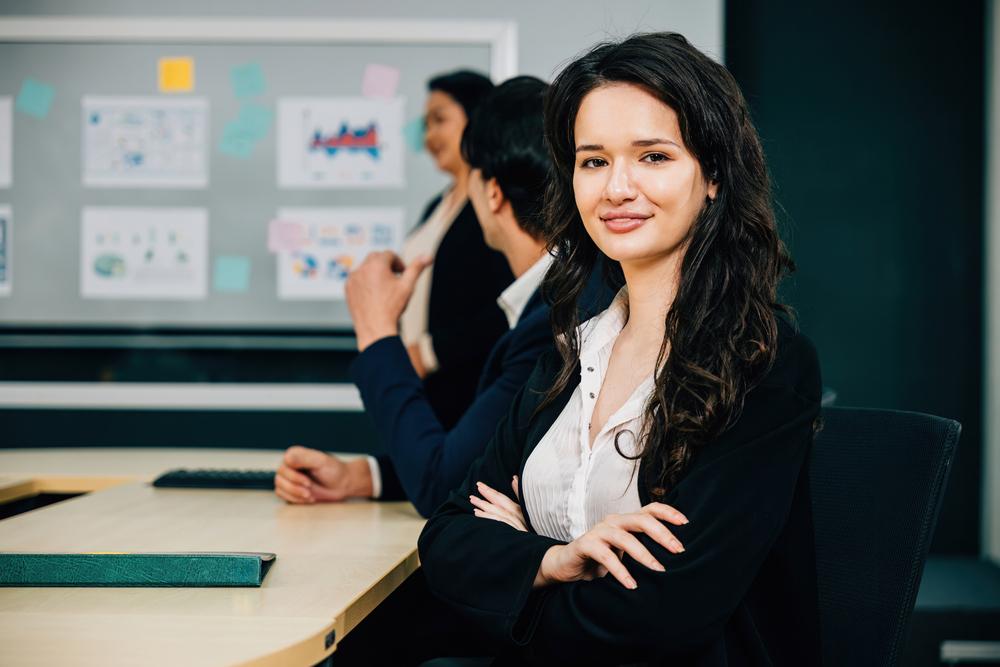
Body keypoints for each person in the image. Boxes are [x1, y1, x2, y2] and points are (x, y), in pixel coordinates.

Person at [417, 33, 823, 666]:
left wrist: (516, 570)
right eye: (594, 161)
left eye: (654, 157)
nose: (616, 188)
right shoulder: (570, 351)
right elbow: (445, 541)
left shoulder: (762, 363)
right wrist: (553, 560)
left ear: (713, 174)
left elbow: (661, 618)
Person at [274, 76, 573, 518]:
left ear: (490, 192)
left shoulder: (547, 325)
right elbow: (474, 461)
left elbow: (445, 486)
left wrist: (377, 331)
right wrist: (361, 476)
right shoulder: (553, 303)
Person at [398, 70, 512, 429]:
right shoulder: (438, 205)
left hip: (465, 391)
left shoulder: (496, 204)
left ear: (477, 118)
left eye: (440, 120)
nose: (430, 136)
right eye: (426, 124)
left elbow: (508, 305)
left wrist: (429, 352)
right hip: (421, 391)